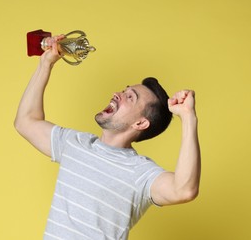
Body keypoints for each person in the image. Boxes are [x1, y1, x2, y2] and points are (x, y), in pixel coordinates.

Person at [14, 35, 201, 240]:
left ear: (140, 123)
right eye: (124, 90)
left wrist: (188, 118)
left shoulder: (140, 172)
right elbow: (26, 121)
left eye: (130, 97)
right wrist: (45, 64)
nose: (117, 94)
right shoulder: (75, 144)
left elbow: (183, 190)